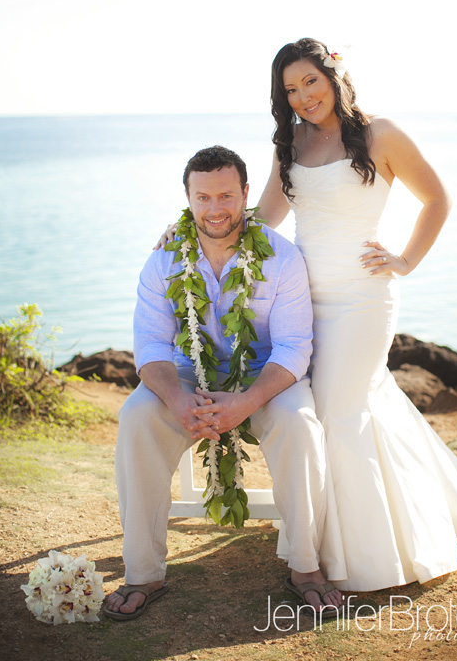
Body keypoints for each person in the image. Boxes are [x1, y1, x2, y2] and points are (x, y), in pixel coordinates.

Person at [255, 37, 457, 591]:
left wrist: (405, 260)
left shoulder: (379, 134)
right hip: (300, 302)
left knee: (339, 415)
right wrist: (199, 225)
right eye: (290, 89)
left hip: (363, 299)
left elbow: (438, 199)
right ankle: (344, 535)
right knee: (342, 410)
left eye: (310, 81)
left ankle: (356, 559)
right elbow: (264, 217)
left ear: (333, 74)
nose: (303, 96)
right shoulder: (288, 144)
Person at [105, 145, 344, 620]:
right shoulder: (163, 261)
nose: (216, 209)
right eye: (204, 197)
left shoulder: (281, 257)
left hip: (266, 376)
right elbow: (151, 347)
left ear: (246, 194)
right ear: (188, 199)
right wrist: (175, 399)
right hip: (187, 374)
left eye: (226, 196)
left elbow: (294, 346)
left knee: (299, 424)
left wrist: (246, 402)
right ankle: (144, 572)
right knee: (136, 416)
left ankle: (305, 567)